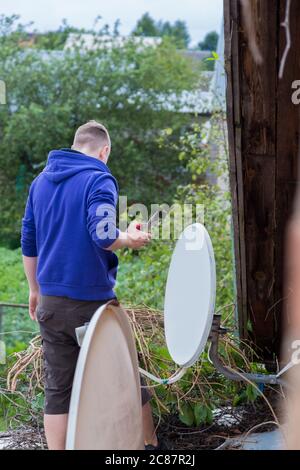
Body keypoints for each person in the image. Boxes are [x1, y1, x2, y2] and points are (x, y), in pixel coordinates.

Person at [21, 120, 158, 450]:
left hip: (51, 303)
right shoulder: (99, 177)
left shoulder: (40, 182)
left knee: (58, 391)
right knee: (126, 381)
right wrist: (130, 238)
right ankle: (152, 449)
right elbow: (104, 235)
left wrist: (35, 290)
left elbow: (29, 239)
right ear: (104, 150)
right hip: (92, 306)